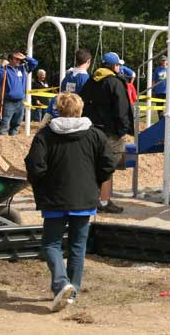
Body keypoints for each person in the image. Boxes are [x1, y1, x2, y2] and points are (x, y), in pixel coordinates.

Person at [24, 92, 116, 313]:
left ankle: (60, 283)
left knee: (51, 244)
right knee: (77, 245)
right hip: (84, 198)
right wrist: (95, 180)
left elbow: (35, 166)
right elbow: (108, 163)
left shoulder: (45, 135)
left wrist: (42, 182)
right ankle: (72, 288)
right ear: (80, 109)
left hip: (54, 199)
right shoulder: (95, 135)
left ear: (58, 109)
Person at [79, 52, 133, 214]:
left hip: (91, 130)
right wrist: (123, 130)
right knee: (107, 167)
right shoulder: (115, 83)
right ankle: (103, 201)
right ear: (114, 66)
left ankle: (92, 198)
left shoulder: (91, 81)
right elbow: (121, 109)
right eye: (118, 65)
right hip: (110, 133)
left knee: (93, 165)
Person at [0, 50, 38, 135]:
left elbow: (35, 63)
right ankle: (3, 143)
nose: (18, 61)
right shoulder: (4, 70)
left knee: (16, 124)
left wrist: (25, 57)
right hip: (8, 102)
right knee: (4, 125)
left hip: (20, 101)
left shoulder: (23, 68)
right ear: (10, 59)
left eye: (19, 59)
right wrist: (2, 67)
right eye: (16, 59)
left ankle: (13, 141)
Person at [42, 48, 92, 122]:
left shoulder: (67, 76)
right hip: (77, 116)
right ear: (88, 61)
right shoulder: (87, 79)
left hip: (63, 113)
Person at [152, 55, 170, 119]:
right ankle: (160, 119)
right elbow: (154, 79)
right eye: (162, 60)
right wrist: (153, 88)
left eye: (164, 60)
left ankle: (167, 119)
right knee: (159, 106)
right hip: (159, 91)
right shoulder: (157, 69)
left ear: (167, 61)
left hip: (167, 91)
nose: (163, 62)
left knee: (168, 106)